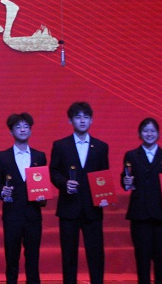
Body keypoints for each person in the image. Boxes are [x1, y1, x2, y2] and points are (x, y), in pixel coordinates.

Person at [49, 101, 110, 284]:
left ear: (91, 120)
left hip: (93, 209)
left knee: (96, 254)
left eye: (86, 117)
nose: (82, 120)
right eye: (78, 117)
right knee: (69, 255)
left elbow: (103, 175)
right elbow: (53, 171)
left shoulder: (101, 147)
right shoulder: (61, 145)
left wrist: (105, 196)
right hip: (69, 208)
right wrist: (64, 184)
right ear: (70, 121)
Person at [122, 118, 162, 284]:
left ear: (158, 134)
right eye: (146, 131)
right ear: (139, 134)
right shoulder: (131, 155)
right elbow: (126, 179)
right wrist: (126, 182)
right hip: (140, 215)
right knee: (142, 259)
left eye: (153, 131)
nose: (149, 134)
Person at [0, 113, 47, 284]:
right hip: (12, 215)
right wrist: (2, 191)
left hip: (33, 215)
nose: (23, 130)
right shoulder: (3, 157)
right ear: (11, 132)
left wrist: (43, 197)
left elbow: (43, 183)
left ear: (30, 131)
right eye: (18, 127)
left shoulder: (39, 156)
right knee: (11, 257)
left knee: (33, 257)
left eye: (26, 126)